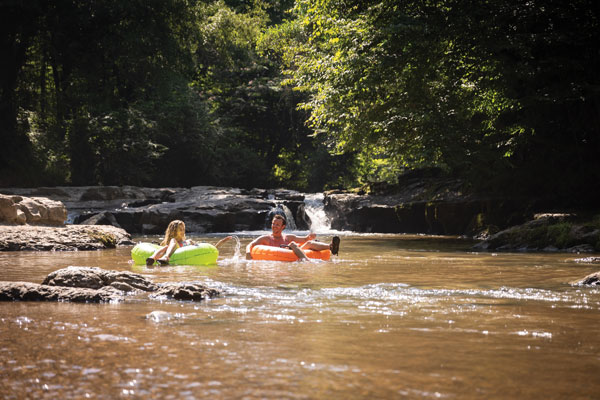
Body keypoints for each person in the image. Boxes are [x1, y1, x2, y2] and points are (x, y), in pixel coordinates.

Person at [245, 214, 340, 261]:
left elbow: (305, 240)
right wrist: (248, 252)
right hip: (278, 257)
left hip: (292, 254)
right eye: (273, 224)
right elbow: (251, 244)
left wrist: (308, 237)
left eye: (277, 224)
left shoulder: (288, 237)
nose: (274, 226)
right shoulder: (266, 238)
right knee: (294, 245)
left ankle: (331, 247)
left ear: (283, 227)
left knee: (308, 244)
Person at [146, 220, 232, 266]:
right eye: (180, 230)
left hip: (181, 254)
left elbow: (205, 251)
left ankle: (166, 257)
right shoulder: (168, 242)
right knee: (167, 245)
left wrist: (221, 242)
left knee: (169, 244)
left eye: (183, 229)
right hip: (167, 254)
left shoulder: (188, 242)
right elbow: (162, 247)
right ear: (173, 231)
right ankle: (153, 258)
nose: (183, 231)